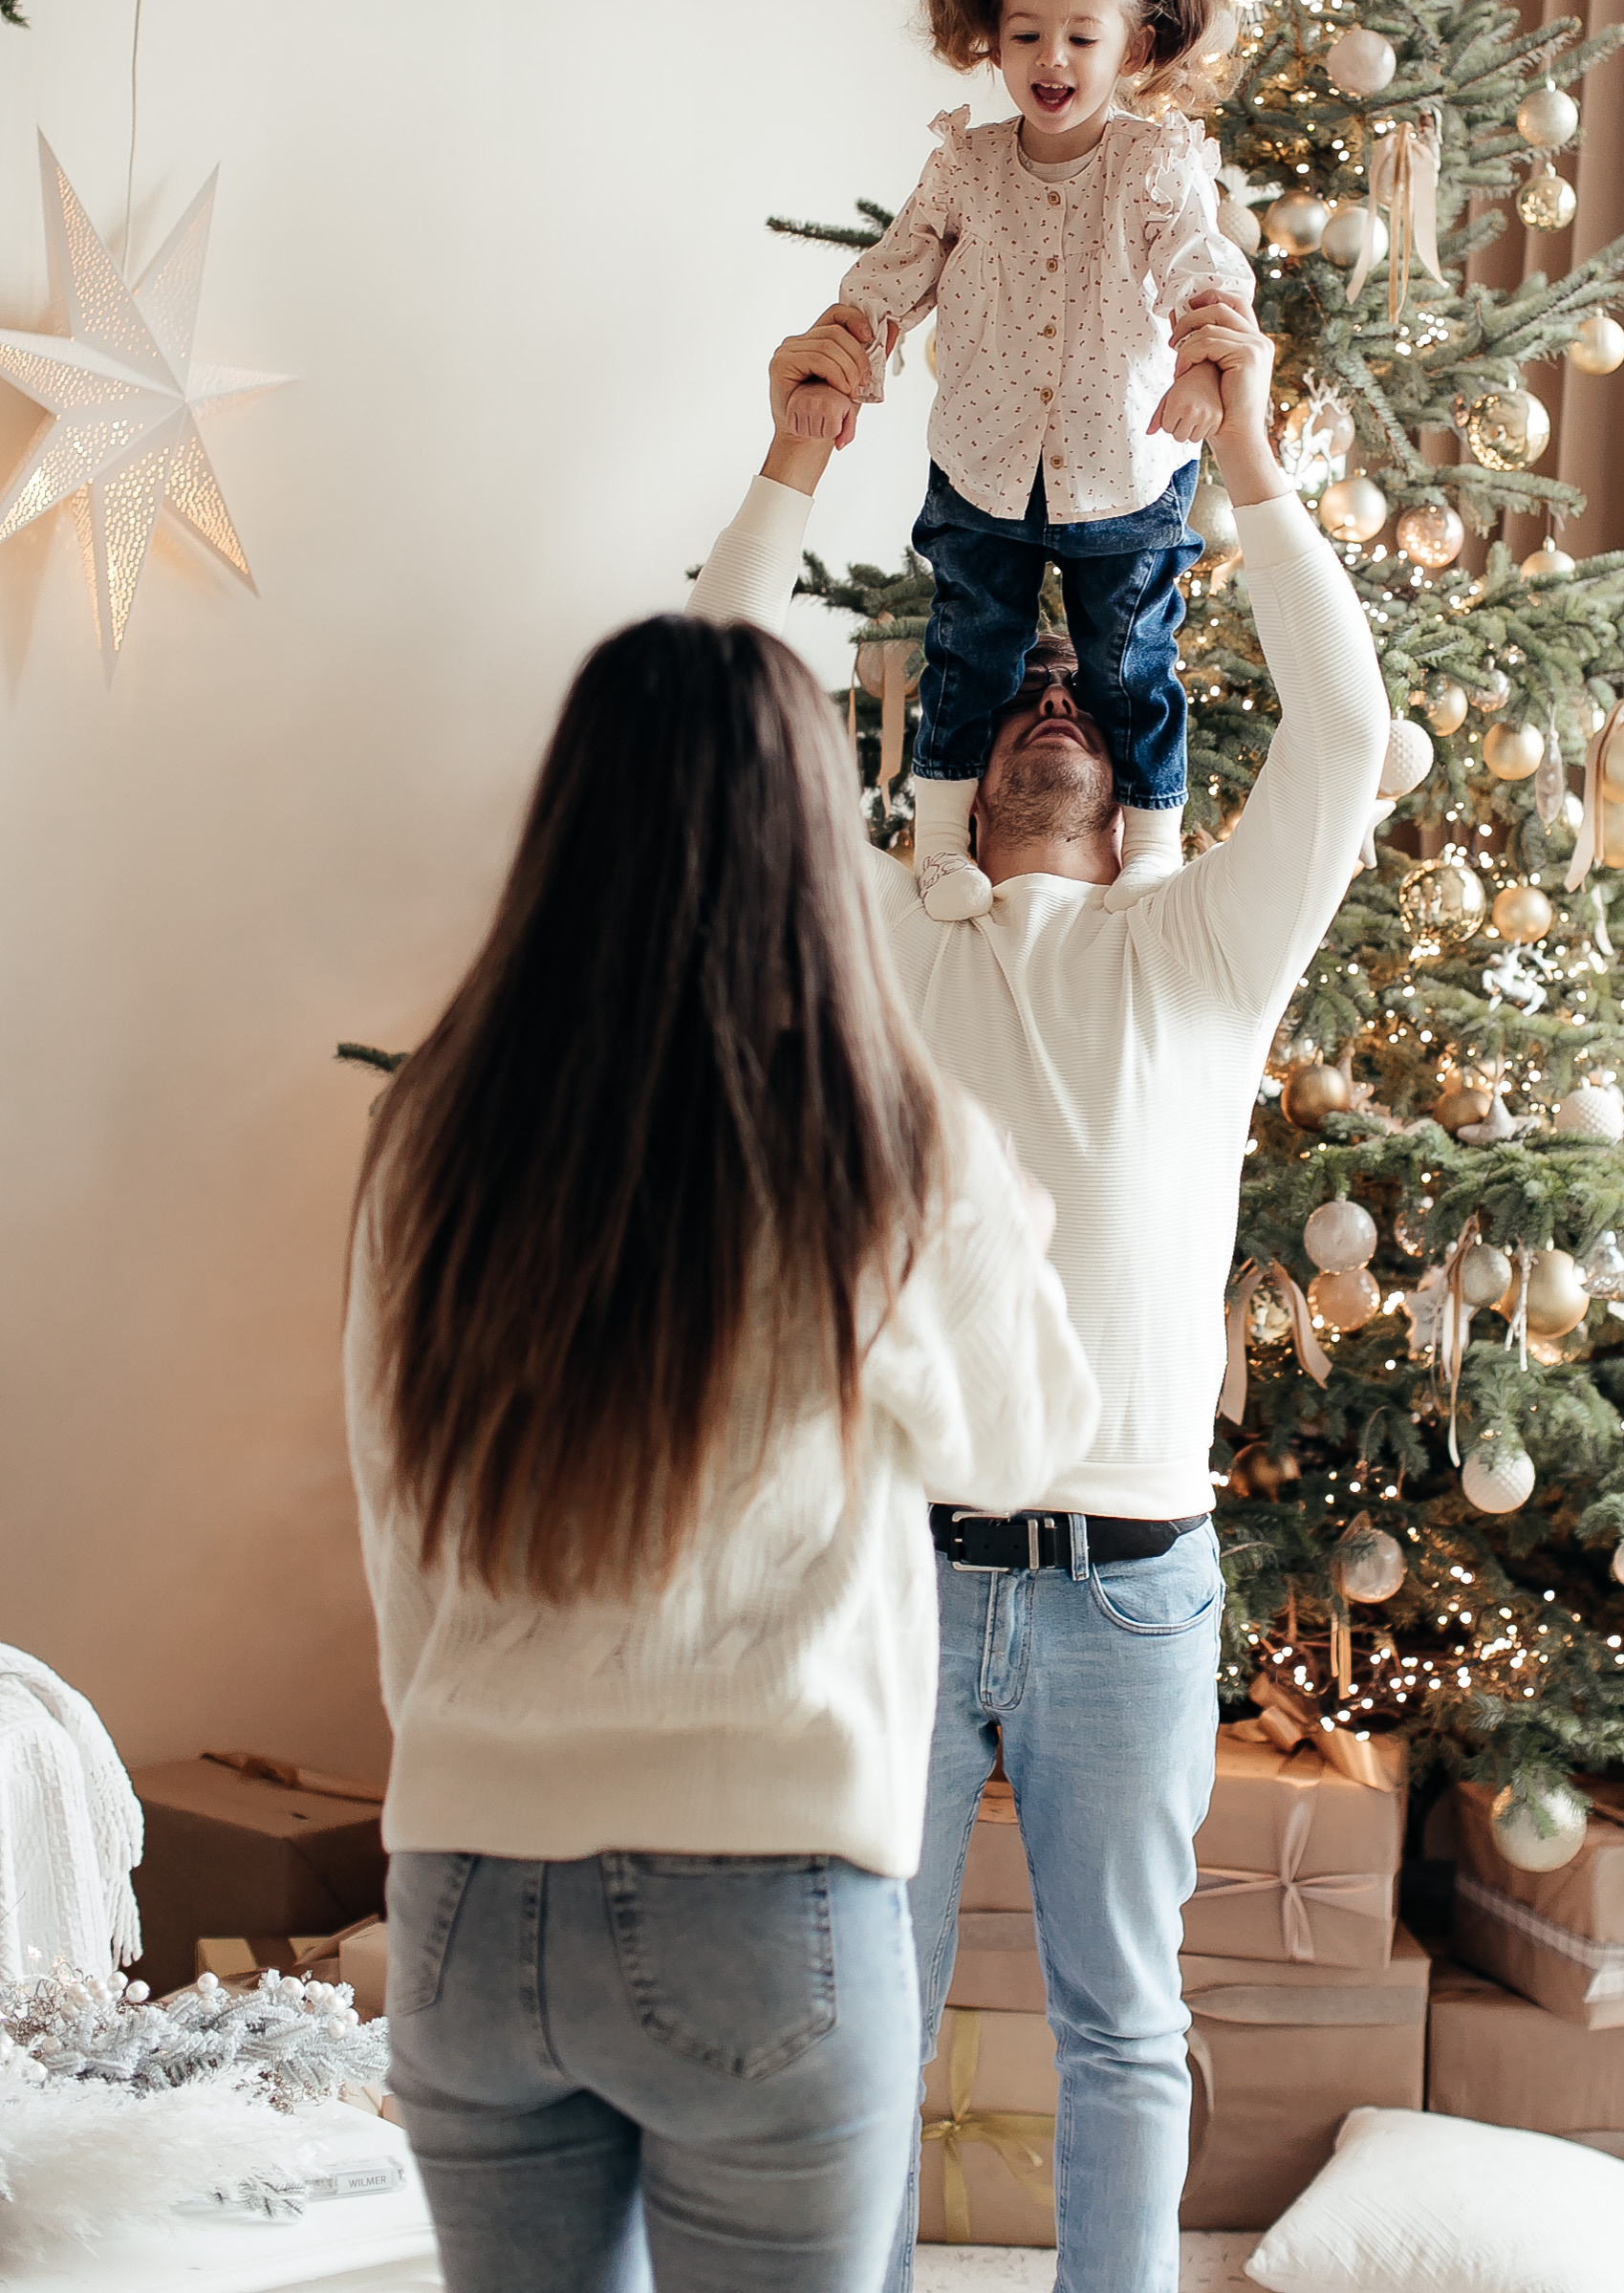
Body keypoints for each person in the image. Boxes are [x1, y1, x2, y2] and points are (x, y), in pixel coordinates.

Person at [687, 281, 1389, 2293]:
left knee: (1121, 2018)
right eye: (1016, 705)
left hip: (1129, 1585)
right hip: (895, 1577)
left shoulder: (1201, 958)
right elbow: (712, 701)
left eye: (1089, 700)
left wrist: (1245, 459)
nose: (1053, 704)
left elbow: (1344, 735)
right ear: (956, 781)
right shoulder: (887, 954)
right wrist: (800, 448)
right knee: (859, 2027)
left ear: (1135, 777)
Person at [343, 612, 1098, 2293]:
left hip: (465, 1884)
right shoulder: (883, 1133)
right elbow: (1031, 1434)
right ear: (806, 837)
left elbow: (394, 1504)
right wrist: (1002, 1221)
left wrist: (467, 1760)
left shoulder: (434, 1135)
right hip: (762, 1898)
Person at [783, 0, 1254, 920]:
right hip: (985, 462)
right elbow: (893, 274)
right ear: (990, 42)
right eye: (1027, 33)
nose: (1053, 59)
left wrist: (1199, 368)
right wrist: (847, 354)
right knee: (967, 647)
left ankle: (1153, 852)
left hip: (1125, 467)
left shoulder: (1153, 166)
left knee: (1130, 660)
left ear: (1132, 48)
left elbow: (1199, 270)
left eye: (1082, 36)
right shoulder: (966, 165)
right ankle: (943, 841)